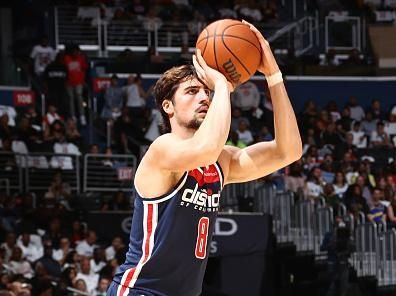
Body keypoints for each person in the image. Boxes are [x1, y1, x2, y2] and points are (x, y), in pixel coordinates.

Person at [107, 20, 302, 296]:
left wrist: (273, 76)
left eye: (206, 91)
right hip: (140, 291)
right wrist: (222, 85)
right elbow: (207, 148)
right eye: (191, 91)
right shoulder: (163, 150)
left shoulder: (221, 161)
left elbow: (289, 151)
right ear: (168, 106)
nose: (204, 97)